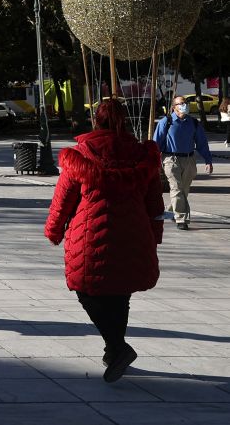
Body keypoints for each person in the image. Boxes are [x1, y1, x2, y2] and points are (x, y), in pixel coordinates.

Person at [45, 98, 163, 383]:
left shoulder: (81, 154)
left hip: (90, 232)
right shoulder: (142, 155)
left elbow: (63, 201)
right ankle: (113, 349)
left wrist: (54, 230)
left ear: (96, 121)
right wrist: (154, 236)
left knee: (87, 290)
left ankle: (119, 347)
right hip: (134, 232)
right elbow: (155, 203)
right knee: (120, 292)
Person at [152, 95, 213, 230]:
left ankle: (173, 210)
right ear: (174, 107)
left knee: (184, 190)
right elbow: (156, 143)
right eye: (181, 103)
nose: (184, 105)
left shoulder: (194, 123)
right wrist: (153, 161)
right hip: (170, 160)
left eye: (185, 103)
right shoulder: (165, 122)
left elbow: (202, 143)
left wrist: (208, 160)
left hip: (189, 159)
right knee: (176, 188)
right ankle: (182, 219)